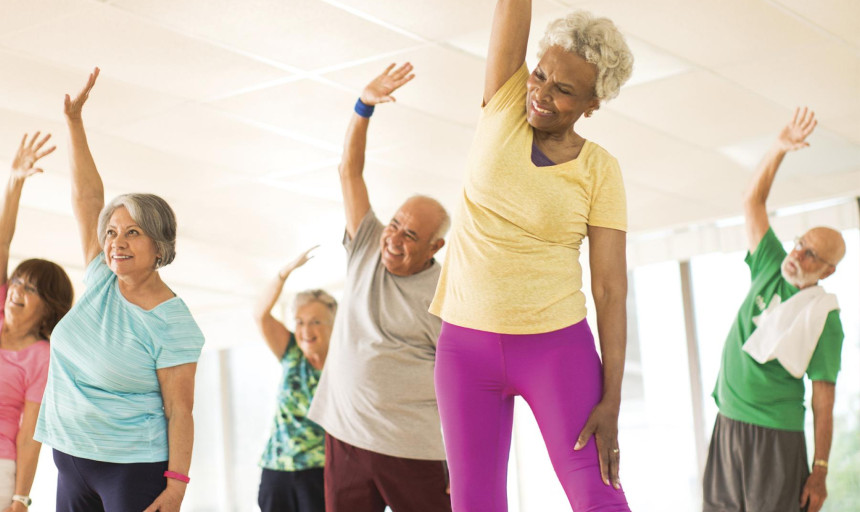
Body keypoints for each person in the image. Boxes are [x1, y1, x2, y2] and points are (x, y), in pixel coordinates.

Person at [429, 3, 634, 511]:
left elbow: (609, 289)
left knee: (598, 495)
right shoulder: (502, 103)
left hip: (555, 349)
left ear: (592, 103)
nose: (541, 92)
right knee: (474, 503)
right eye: (540, 75)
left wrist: (612, 398)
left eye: (563, 89)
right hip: (464, 349)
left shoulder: (600, 171)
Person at [33, 68, 205, 512]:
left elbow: (180, 412)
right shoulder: (100, 279)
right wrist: (74, 122)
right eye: (111, 232)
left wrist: (177, 487)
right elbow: (88, 198)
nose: (117, 243)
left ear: (159, 246)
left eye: (132, 232)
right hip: (70, 458)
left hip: (131, 467)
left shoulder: (173, 320)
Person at [306, 63, 452, 512]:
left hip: (414, 448)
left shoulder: (448, 296)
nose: (394, 239)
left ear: (435, 247)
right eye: (396, 225)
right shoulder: (368, 244)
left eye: (410, 236)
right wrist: (363, 105)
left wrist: (463, 462)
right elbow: (349, 170)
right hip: (346, 437)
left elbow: (464, 384)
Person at [703, 107, 845, 512]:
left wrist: (819, 470)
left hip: (774, 435)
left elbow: (823, 400)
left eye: (811, 254)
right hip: (728, 422)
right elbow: (753, 201)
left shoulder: (824, 316)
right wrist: (779, 148)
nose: (798, 253)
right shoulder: (771, 264)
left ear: (828, 271)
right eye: (800, 242)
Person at [0, 133, 74, 511]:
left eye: (31, 290)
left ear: (49, 310)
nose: (17, 290)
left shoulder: (41, 357)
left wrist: (19, 497)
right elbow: (1, 244)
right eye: (17, 281)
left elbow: (30, 433)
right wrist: (14, 181)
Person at [254, 246, 337, 512]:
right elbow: (260, 315)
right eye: (300, 322)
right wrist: (283, 273)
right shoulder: (291, 352)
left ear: (334, 324)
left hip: (321, 473)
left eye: (315, 322)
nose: (305, 330)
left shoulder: (345, 365)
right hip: (277, 471)